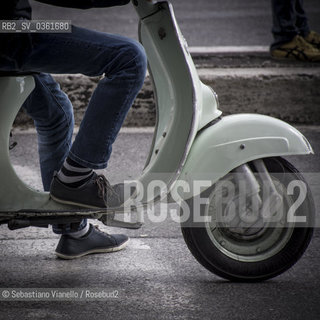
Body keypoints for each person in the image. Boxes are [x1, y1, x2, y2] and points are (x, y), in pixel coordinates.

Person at [0, 0, 147, 259]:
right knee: (130, 57)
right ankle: (76, 179)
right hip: (9, 33)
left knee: (56, 112)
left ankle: (74, 231)